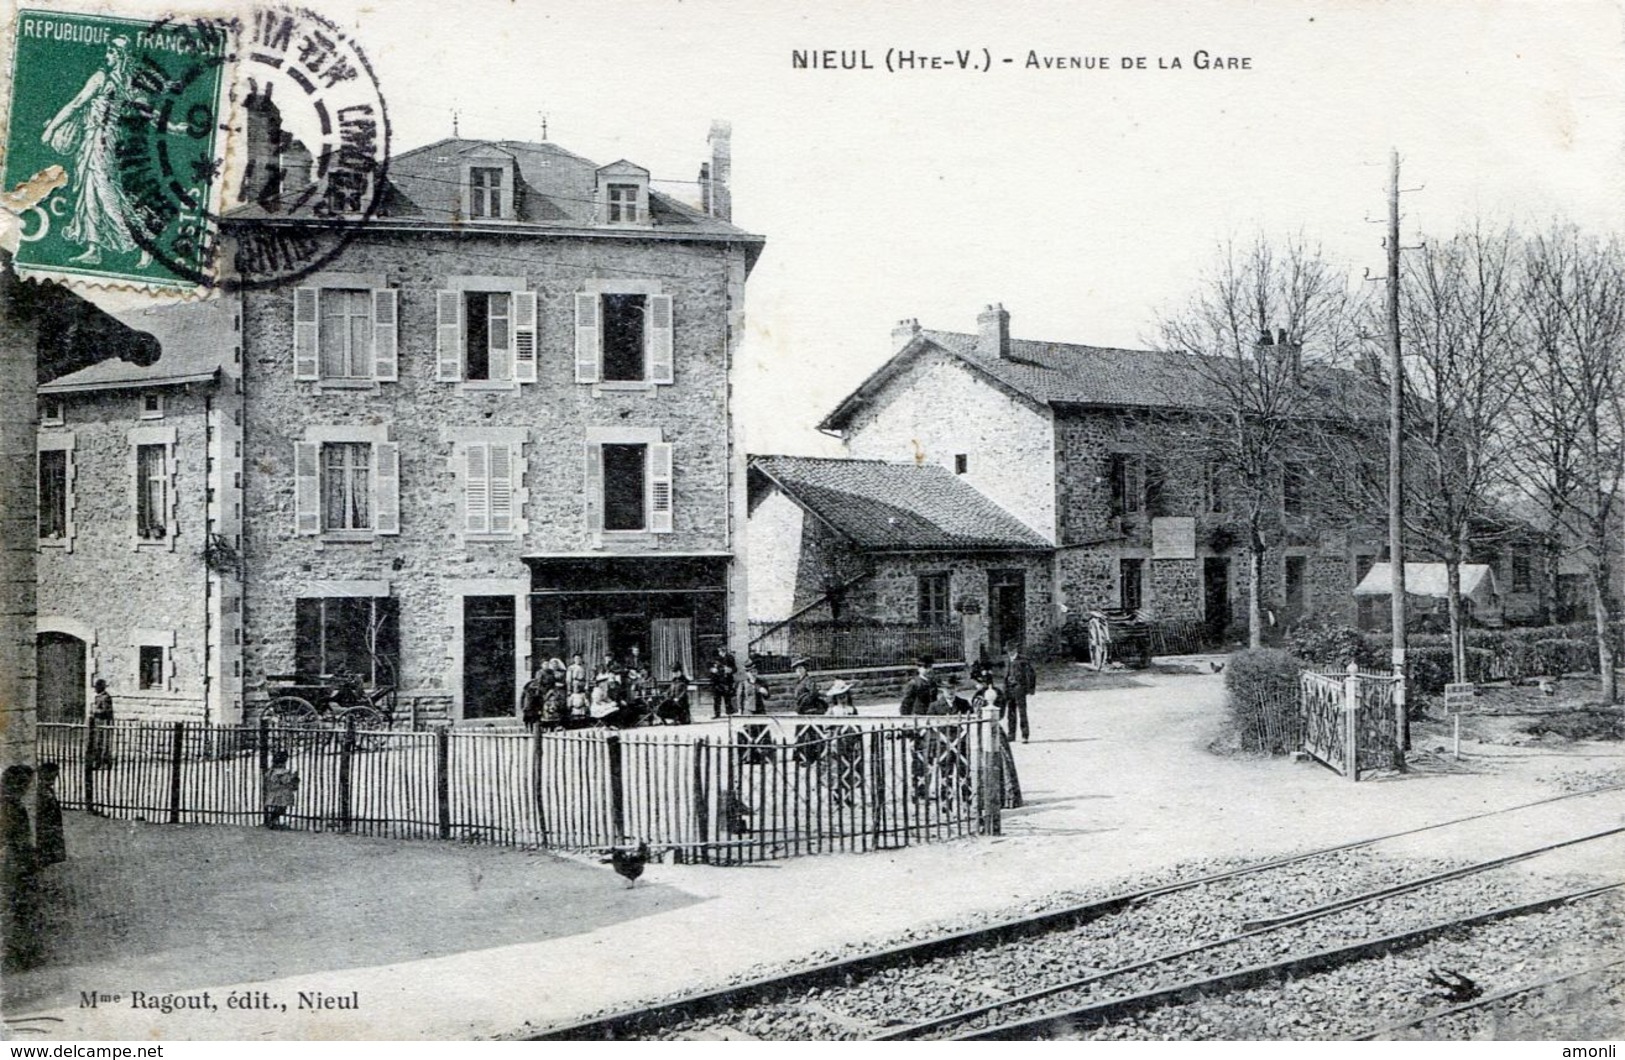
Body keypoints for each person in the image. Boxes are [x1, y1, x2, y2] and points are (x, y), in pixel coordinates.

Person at [40, 37, 155, 268]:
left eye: (111, 53)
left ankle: (145, 245)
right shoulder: (128, 83)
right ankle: (94, 249)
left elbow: (75, 104)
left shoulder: (105, 79)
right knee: (89, 193)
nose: (107, 57)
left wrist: (51, 129)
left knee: (107, 195)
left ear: (120, 56)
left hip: (103, 143)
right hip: (92, 141)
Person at [2, 765, 39, 971]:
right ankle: (18, 951)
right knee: (19, 906)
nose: (26, 788)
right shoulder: (11, 806)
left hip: (15, 862)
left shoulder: (12, 803)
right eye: (25, 784)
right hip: (14, 863)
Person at [1002, 642, 1038, 743]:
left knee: (1022, 712)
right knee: (1011, 713)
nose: (1010, 653)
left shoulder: (1023, 660)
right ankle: (1011, 734)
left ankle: (1025, 735)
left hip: (1019, 688)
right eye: (1008, 651)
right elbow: (1006, 675)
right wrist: (1005, 688)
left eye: (1011, 651)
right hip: (1009, 688)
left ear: (1015, 650)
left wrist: (1031, 688)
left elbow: (1031, 674)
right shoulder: (1007, 660)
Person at [34, 762, 65, 868]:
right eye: (53, 776)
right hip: (47, 821)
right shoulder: (42, 790)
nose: (54, 779)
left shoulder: (46, 789)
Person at [262, 750, 300, 829]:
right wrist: (294, 777)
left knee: (277, 808)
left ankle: (273, 822)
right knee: (281, 808)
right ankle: (272, 821)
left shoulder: (271, 771)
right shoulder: (283, 772)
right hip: (282, 793)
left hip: (274, 792)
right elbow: (285, 781)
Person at [89, 678, 114, 768]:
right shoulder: (98, 696)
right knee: (97, 743)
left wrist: (95, 711)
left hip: (104, 723)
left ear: (101, 687)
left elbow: (106, 710)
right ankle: (98, 762)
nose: (95, 689)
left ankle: (105, 762)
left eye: (97, 687)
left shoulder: (105, 697)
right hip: (97, 722)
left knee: (104, 743)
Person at [708, 647, 738, 719]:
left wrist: (730, 670)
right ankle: (717, 714)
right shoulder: (714, 658)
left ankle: (729, 713)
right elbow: (708, 666)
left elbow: (735, 668)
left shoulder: (730, 658)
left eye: (723, 650)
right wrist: (712, 670)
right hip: (716, 682)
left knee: (727, 698)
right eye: (720, 650)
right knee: (716, 699)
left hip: (726, 681)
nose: (721, 652)